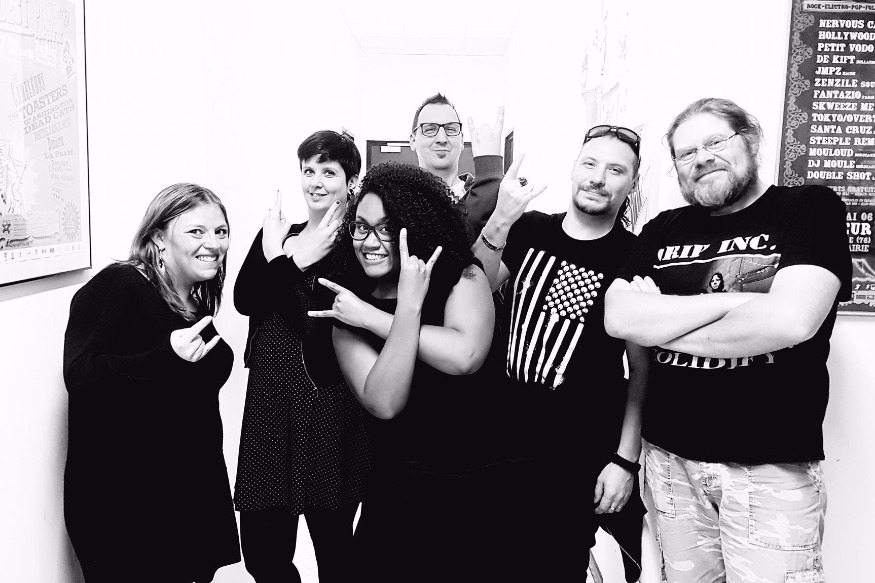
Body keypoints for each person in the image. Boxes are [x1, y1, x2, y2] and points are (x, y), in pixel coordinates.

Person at [604, 97, 852, 583]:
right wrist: (736, 304)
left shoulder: (808, 208)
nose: (702, 158)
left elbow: (791, 321)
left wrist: (663, 327)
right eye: (685, 153)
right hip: (670, 463)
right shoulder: (662, 229)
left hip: (770, 468)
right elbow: (619, 317)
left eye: (715, 142)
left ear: (750, 140)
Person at [474, 126, 649, 581]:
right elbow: (472, 290)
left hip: (578, 455)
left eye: (615, 170)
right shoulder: (531, 229)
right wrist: (500, 218)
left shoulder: (633, 256)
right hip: (499, 439)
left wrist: (625, 460)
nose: (598, 178)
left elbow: (642, 370)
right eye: (590, 164)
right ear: (574, 169)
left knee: (557, 566)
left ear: (631, 183)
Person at [308, 162, 494, 582]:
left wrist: (376, 318)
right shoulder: (346, 304)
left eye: (387, 228)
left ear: (416, 226)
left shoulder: (462, 276)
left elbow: (465, 355)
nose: (369, 242)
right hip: (397, 492)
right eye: (360, 227)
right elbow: (385, 402)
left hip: (477, 484)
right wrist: (406, 309)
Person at [63, 183, 240, 582]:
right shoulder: (121, 284)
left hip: (188, 508)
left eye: (221, 231)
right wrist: (165, 357)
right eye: (196, 231)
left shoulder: (193, 303)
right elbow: (82, 375)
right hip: (130, 516)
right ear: (159, 237)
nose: (213, 243)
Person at [233, 130, 369, 583]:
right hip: (269, 407)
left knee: (334, 552)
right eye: (308, 170)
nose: (315, 181)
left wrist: (284, 261)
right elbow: (244, 299)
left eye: (328, 172)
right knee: (261, 554)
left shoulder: (354, 246)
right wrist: (288, 258)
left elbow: (311, 324)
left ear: (350, 181)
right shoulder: (279, 234)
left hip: (326, 407)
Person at [410, 93, 505, 243]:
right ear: (413, 141)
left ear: (461, 140)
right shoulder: (395, 198)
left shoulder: (493, 192)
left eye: (451, 129)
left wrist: (490, 174)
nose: (442, 139)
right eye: (429, 129)